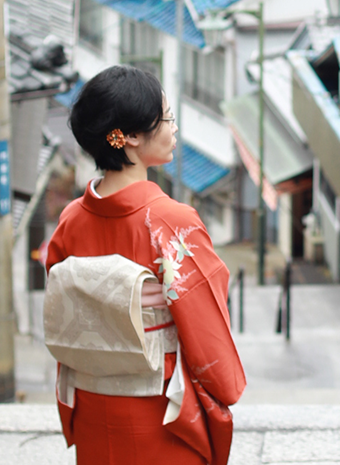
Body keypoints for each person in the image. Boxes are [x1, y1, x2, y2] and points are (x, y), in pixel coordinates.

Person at [44, 65, 246, 465]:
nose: (173, 129)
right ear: (130, 137)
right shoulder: (172, 222)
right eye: (167, 118)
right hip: (161, 416)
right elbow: (205, 327)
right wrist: (225, 387)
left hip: (91, 408)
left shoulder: (69, 220)